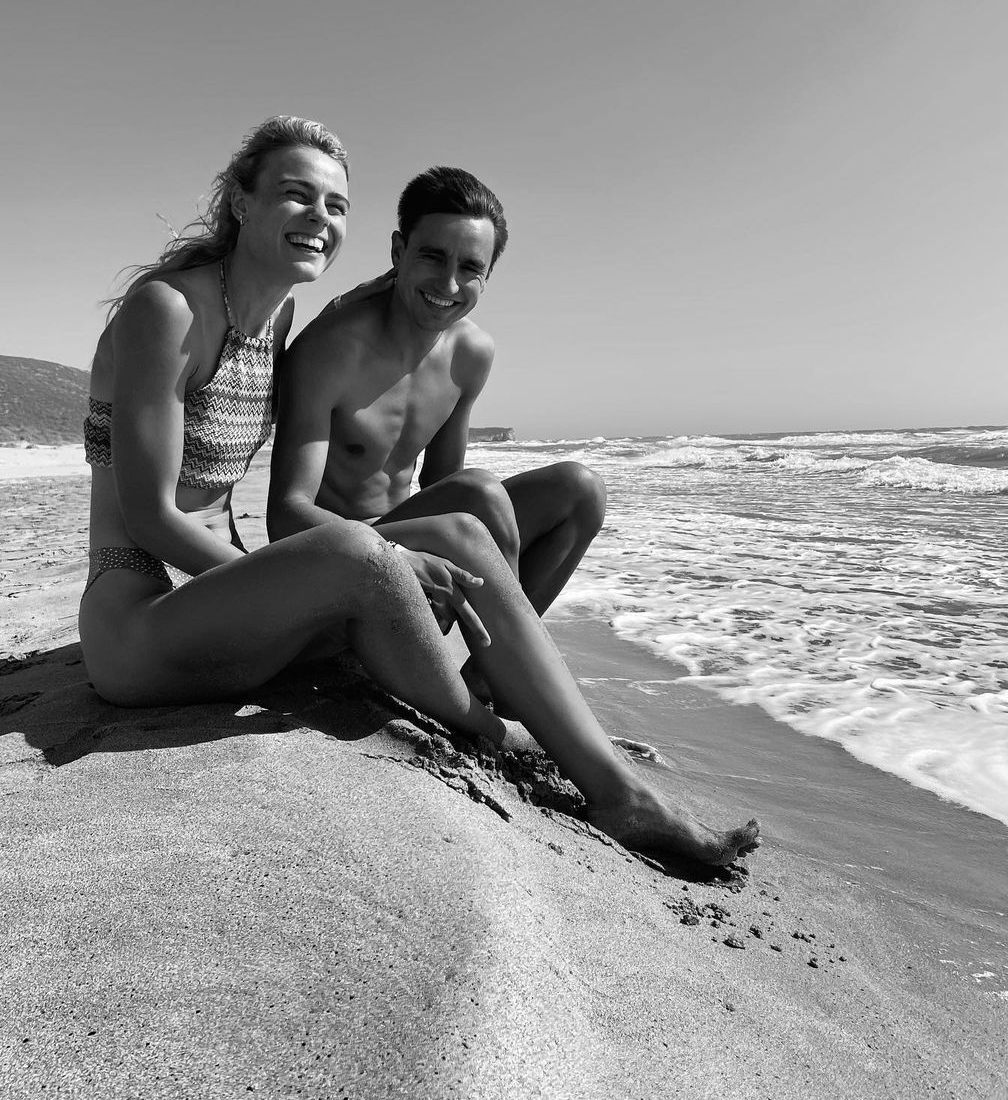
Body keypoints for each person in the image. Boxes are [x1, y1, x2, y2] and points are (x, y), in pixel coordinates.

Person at [79, 115, 758, 867]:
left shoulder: (278, 319)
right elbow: (150, 516)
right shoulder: (167, 310)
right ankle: (515, 738)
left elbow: (413, 307)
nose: (320, 218)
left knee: (463, 527)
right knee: (353, 545)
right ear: (240, 201)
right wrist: (367, 562)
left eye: (336, 206)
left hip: (239, 618)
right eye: (296, 195)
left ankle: (602, 779)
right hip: (141, 627)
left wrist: (421, 287)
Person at [266, 165, 605, 630]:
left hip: (419, 544)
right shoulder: (332, 349)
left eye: (470, 268)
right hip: (336, 561)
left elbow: (443, 485)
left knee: (580, 489)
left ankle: (487, 676)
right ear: (398, 250)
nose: (448, 284)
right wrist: (398, 554)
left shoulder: (471, 353)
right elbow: (286, 516)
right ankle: (515, 659)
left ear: (487, 276)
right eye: (432, 257)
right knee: (479, 491)